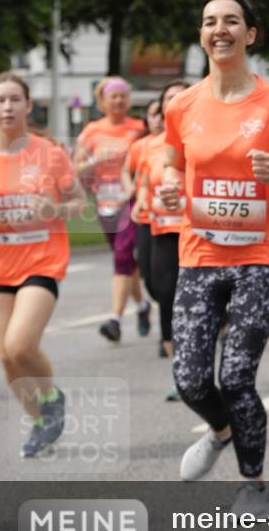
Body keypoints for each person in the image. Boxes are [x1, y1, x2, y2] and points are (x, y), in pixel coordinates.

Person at [159, 0, 269, 518]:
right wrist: (172, 189)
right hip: (199, 253)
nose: (219, 29)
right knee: (191, 379)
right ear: (201, 34)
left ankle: (253, 483)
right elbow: (173, 165)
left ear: (250, 33)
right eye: (209, 21)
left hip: (261, 255)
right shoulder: (182, 105)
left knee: (237, 376)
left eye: (231, 21)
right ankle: (220, 430)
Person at [0, 73, 85, 457]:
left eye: (15, 100)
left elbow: (79, 203)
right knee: (6, 355)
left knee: (20, 343)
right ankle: (40, 421)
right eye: (0, 101)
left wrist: (55, 209)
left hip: (42, 258)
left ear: (27, 106)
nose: (8, 107)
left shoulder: (49, 154)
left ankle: (52, 396)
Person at [73, 77, 149, 341]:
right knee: (127, 261)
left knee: (122, 255)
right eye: (113, 96)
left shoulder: (138, 128)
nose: (118, 101)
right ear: (102, 101)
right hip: (104, 201)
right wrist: (95, 161)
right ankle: (142, 305)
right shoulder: (91, 131)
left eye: (122, 96)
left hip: (131, 198)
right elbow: (75, 169)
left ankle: (114, 319)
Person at [135, 80, 189, 397]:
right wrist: (142, 198)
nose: (175, 102)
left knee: (195, 301)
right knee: (163, 294)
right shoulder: (151, 145)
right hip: (162, 231)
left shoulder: (202, 136)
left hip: (197, 232)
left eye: (181, 96)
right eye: (169, 98)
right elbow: (144, 179)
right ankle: (180, 369)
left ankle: (191, 370)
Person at [125, 98, 163, 343]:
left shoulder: (180, 142)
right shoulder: (140, 146)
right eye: (153, 115)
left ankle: (169, 334)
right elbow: (136, 175)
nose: (158, 119)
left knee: (172, 279)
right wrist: (135, 195)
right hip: (148, 216)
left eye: (161, 114)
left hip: (178, 220)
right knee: (150, 278)